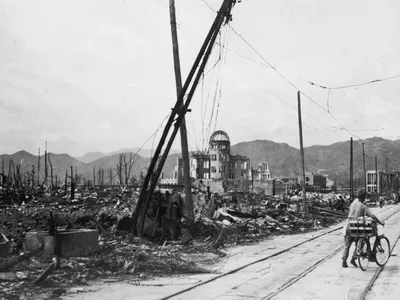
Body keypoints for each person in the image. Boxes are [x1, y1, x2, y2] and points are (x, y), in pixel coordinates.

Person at [341, 189, 385, 268]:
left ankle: (344, 261)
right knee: (360, 244)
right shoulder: (363, 206)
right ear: (363, 197)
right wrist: (380, 222)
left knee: (347, 245)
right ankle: (353, 258)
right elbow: (372, 216)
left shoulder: (353, 203)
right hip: (356, 228)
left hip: (348, 226)